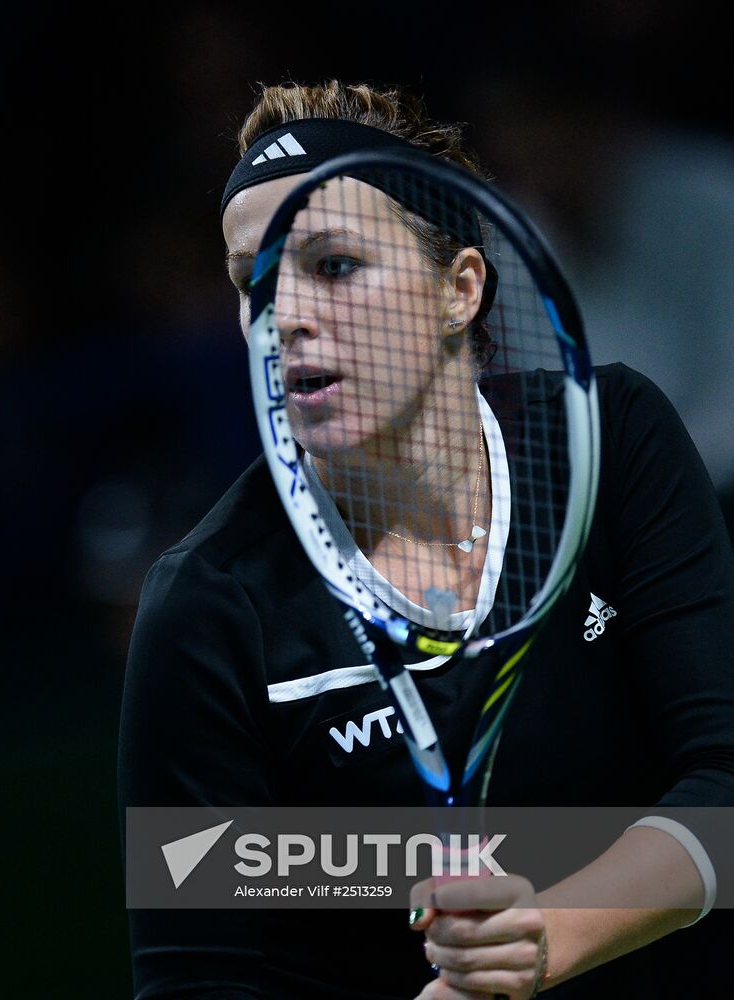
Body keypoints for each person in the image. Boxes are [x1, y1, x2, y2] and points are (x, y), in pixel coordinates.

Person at [118, 81, 734, 999]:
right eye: (256, 281)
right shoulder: (207, 603)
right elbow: (194, 974)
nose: (283, 315)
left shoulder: (610, 444)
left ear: (460, 289)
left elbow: (722, 784)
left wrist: (543, 938)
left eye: (332, 266)